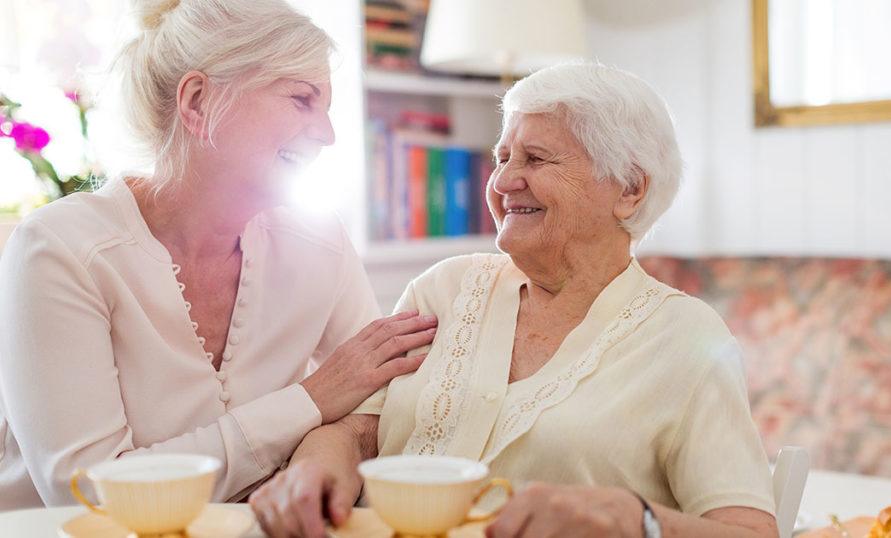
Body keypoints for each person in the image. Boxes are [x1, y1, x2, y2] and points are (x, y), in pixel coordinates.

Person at [250, 62, 778, 538]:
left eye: (536, 159)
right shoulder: (443, 289)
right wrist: (316, 467)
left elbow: (750, 532)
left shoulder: (688, 339)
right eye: (502, 157)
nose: (502, 181)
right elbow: (358, 427)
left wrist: (635, 519)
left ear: (629, 190)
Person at [0, 0, 436, 510]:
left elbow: (378, 401)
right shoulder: (61, 249)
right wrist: (310, 400)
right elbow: (90, 493)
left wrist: (319, 456)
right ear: (198, 101)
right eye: (301, 99)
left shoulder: (322, 243)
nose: (328, 133)